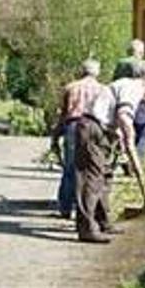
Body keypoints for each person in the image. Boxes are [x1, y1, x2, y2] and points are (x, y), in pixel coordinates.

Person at [75, 65, 145, 243]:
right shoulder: (136, 88)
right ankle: (86, 228)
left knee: (105, 176)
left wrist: (120, 139)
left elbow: (114, 113)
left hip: (101, 129)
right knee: (91, 178)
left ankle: (103, 221)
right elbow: (124, 116)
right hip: (92, 128)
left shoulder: (126, 84)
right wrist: (130, 139)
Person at [52, 59, 104, 219]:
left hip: (73, 126)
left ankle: (66, 207)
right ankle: (88, 207)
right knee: (91, 169)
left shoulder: (71, 87)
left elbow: (64, 113)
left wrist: (55, 135)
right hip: (95, 127)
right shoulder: (103, 89)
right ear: (97, 72)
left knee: (70, 168)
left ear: (82, 71)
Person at [113, 39, 145, 162]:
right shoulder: (143, 65)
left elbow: (114, 82)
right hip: (140, 103)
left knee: (124, 132)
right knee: (143, 131)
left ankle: (125, 161)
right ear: (141, 52)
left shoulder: (120, 64)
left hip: (122, 102)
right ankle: (137, 161)